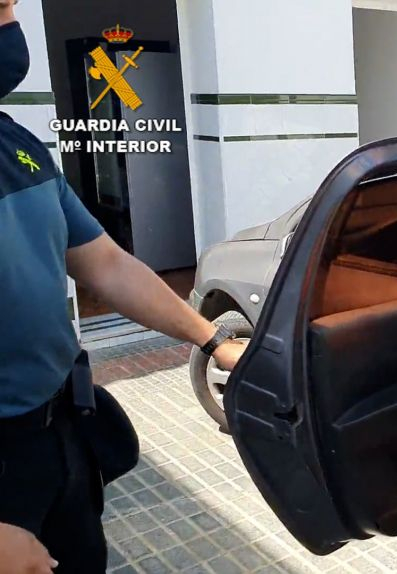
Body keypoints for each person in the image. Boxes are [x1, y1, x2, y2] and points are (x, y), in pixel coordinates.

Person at [0, 3, 246, 571]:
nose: (12, 28)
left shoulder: (16, 145)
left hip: (57, 435)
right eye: (0, 8)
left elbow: (107, 265)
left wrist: (212, 339)